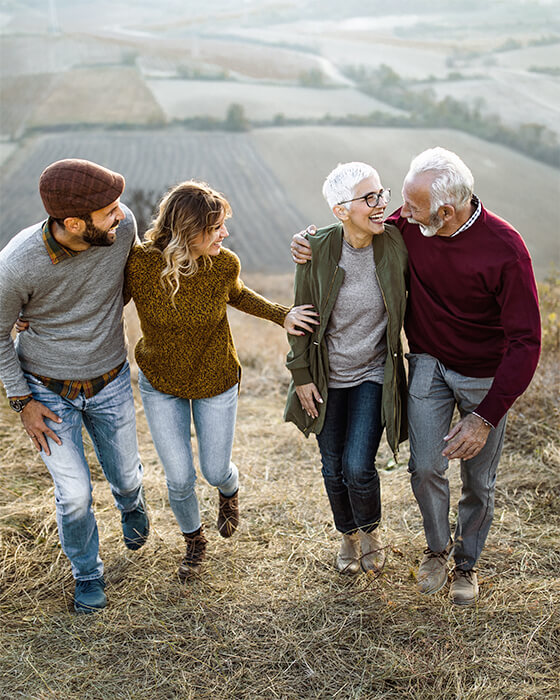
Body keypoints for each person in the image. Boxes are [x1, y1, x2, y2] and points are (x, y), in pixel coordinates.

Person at [291, 147, 541, 605]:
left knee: (479, 481)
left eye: (412, 207)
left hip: (485, 376)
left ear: (445, 211)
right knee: (425, 466)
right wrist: (307, 238)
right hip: (427, 362)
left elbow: (527, 343)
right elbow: (351, 230)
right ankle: (437, 550)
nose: (399, 213)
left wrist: (484, 417)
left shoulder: (506, 250)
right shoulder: (411, 227)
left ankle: (467, 563)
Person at [123, 180, 317, 581]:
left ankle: (229, 493)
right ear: (187, 230)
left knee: (214, 471)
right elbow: (104, 300)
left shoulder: (223, 264)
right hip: (160, 381)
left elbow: (240, 295)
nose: (225, 234)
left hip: (215, 379)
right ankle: (194, 542)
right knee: (178, 478)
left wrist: (283, 315)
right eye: (216, 228)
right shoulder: (140, 264)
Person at [0, 159, 149, 614]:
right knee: (76, 495)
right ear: (72, 223)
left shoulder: (122, 229)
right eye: (109, 211)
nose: (120, 215)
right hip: (45, 391)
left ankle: (131, 503)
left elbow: (131, 280)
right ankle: (88, 574)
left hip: (111, 379)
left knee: (125, 477)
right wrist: (22, 400)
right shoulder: (17, 265)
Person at [284, 162, 408, 576]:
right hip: (326, 377)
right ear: (340, 210)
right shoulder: (316, 248)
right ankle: (348, 536)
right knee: (332, 467)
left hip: (375, 372)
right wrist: (301, 375)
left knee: (358, 466)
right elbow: (300, 316)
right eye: (369, 198)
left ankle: (370, 531)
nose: (380, 204)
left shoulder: (395, 242)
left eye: (381, 194)